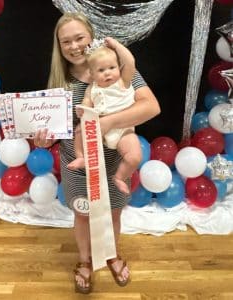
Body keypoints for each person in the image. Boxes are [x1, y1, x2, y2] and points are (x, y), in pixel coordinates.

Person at [34, 12, 160, 294]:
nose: (74, 46)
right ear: (59, 47)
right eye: (66, 41)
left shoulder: (112, 67)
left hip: (114, 159)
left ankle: (112, 255)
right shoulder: (60, 82)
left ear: (91, 37)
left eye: (79, 38)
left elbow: (152, 107)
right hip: (78, 163)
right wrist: (43, 142)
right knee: (82, 214)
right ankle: (84, 261)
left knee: (113, 214)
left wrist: (104, 123)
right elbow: (56, 131)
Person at [67, 37, 142, 195]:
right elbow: (86, 102)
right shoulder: (92, 88)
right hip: (99, 130)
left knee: (134, 157)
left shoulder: (123, 82)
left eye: (112, 67)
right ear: (92, 74)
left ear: (119, 68)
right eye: (101, 70)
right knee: (80, 130)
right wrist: (83, 109)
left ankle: (120, 177)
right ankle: (81, 156)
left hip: (123, 131)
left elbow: (130, 61)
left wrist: (116, 45)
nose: (107, 73)